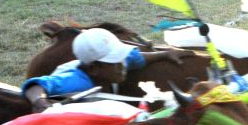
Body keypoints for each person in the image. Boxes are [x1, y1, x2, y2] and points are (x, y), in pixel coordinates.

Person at [22, 29, 189, 112]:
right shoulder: (75, 80)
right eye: (116, 62)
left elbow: (136, 58)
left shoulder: (116, 66)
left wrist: (166, 54)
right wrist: (41, 103)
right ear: (94, 69)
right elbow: (35, 86)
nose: (123, 65)